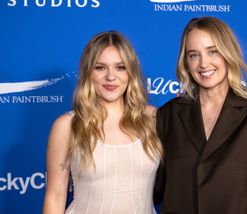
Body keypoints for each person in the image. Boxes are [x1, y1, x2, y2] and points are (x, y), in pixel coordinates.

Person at [154, 17, 247, 214]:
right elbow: (152, 187)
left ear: (228, 53)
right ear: (186, 62)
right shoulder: (169, 115)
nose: (203, 63)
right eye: (193, 55)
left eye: (213, 51)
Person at [43, 31, 163, 214]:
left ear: (131, 72)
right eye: (100, 67)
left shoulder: (152, 119)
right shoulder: (67, 125)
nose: (110, 77)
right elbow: (55, 197)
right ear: (88, 72)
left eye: (120, 67)